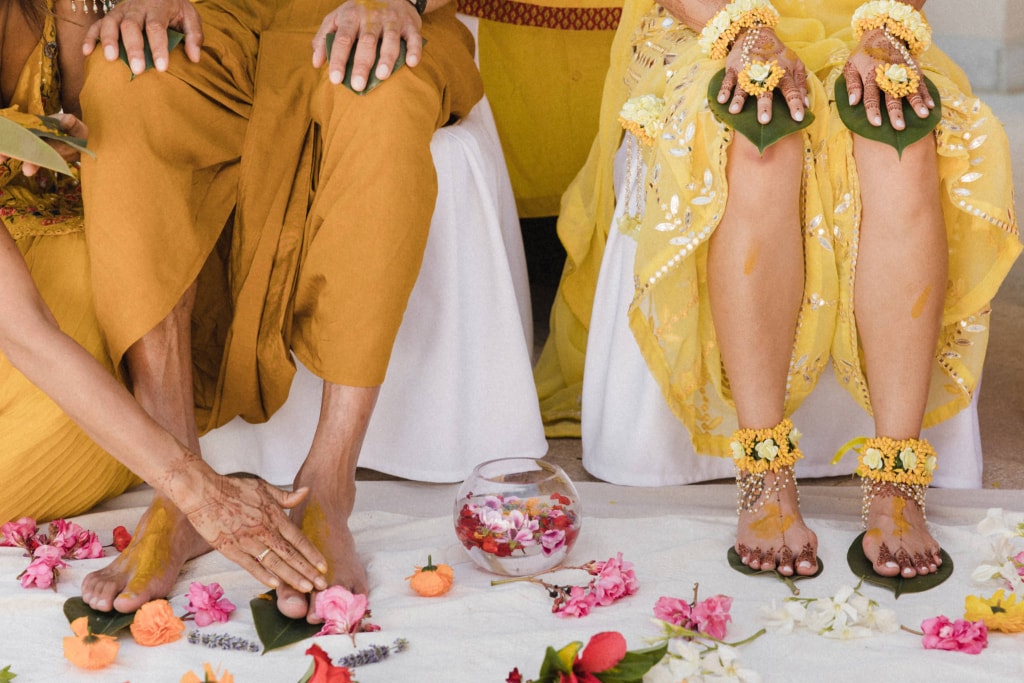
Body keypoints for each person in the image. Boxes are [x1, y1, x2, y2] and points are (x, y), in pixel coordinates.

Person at [537, 0, 1020, 577]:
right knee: (758, 133)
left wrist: (888, 28)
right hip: (707, 20)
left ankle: (897, 480)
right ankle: (764, 476)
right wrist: (741, 31)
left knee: (900, 137)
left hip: (859, 21)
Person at [77, 0, 483, 620]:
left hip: (370, 9)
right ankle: (177, 489)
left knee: (385, 93)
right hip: (216, 16)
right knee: (124, 85)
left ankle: (330, 480)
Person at [0, 0, 327, 594]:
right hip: (21, 295)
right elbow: (24, 331)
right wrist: (201, 491)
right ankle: (170, 493)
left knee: (99, 283)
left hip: (87, 240)